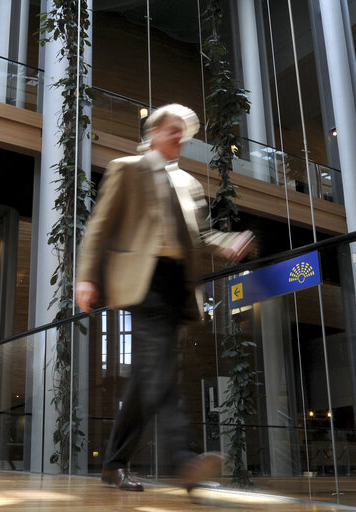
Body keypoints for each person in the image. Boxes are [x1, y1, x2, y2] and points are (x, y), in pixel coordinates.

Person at [76, 104, 255, 493]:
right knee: (160, 375)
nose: (181, 138)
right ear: (154, 132)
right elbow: (100, 225)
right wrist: (86, 277)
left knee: (148, 380)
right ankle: (184, 462)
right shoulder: (127, 168)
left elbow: (201, 236)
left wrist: (227, 242)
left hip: (177, 287)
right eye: (174, 130)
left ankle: (112, 465)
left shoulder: (189, 185)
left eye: (185, 133)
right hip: (145, 282)